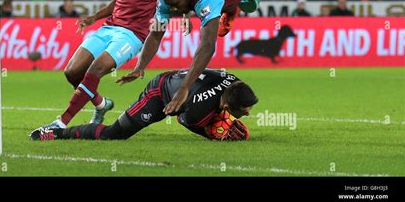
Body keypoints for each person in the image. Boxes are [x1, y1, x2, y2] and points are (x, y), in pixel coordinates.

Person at [33, 0, 173, 132]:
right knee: (72, 72)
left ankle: (60, 122)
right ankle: (101, 104)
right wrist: (93, 18)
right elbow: (118, 1)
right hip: (109, 28)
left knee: (95, 70)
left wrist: (185, 16)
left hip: (132, 35)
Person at [118, 0, 267, 115]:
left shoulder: (208, 0)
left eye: (176, 5)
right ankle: (229, 10)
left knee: (252, 2)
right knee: (221, 1)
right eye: (170, 5)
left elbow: (207, 47)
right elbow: (156, 34)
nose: (173, 9)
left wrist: (184, 87)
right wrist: (140, 67)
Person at [30, 69, 258, 142]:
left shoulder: (234, 81)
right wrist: (212, 133)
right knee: (114, 134)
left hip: (178, 82)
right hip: (159, 94)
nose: (247, 113)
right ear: (227, 105)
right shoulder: (200, 108)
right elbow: (183, 118)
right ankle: (57, 133)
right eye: (244, 111)